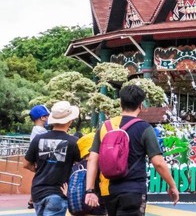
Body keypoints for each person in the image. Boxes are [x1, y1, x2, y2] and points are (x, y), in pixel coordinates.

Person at [84, 85, 179, 215]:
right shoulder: (144, 128)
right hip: (133, 190)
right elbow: (158, 162)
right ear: (140, 106)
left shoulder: (105, 127)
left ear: (120, 103)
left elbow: (92, 159)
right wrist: (172, 185)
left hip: (108, 191)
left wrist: (89, 190)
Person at [24, 101, 82, 216]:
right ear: (69, 121)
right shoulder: (73, 142)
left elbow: (26, 164)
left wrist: (40, 169)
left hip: (37, 192)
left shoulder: (38, 139)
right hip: (58, 193)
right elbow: (80, 164)